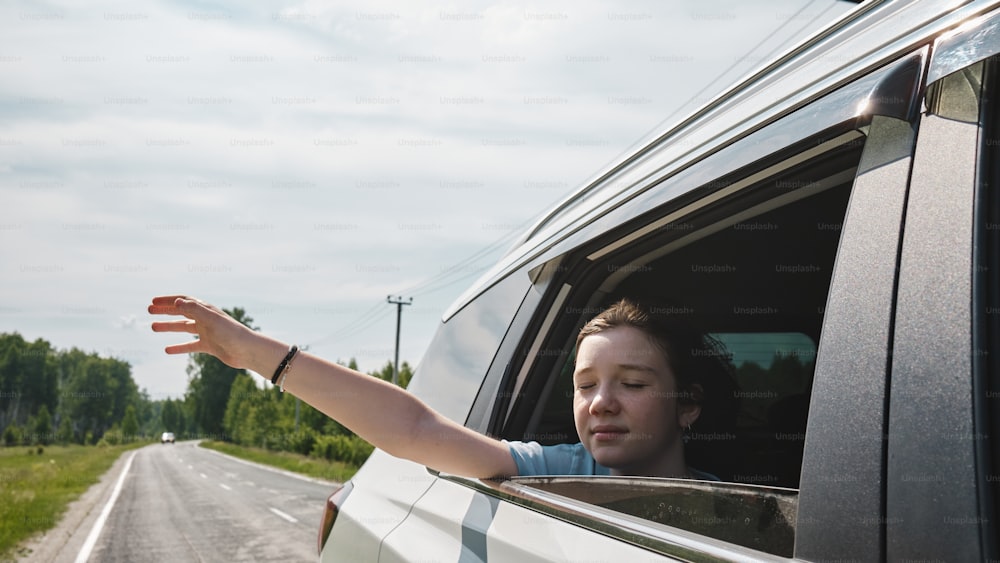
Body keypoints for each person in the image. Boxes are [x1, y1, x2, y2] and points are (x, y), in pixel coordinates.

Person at [149, 295, 735, 480]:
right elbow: (416, 428)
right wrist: (256, 354)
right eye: (585, 385)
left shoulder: (750, 506)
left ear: (689, 406)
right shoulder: (559, 469)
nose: (600, 402)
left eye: (631, 383)